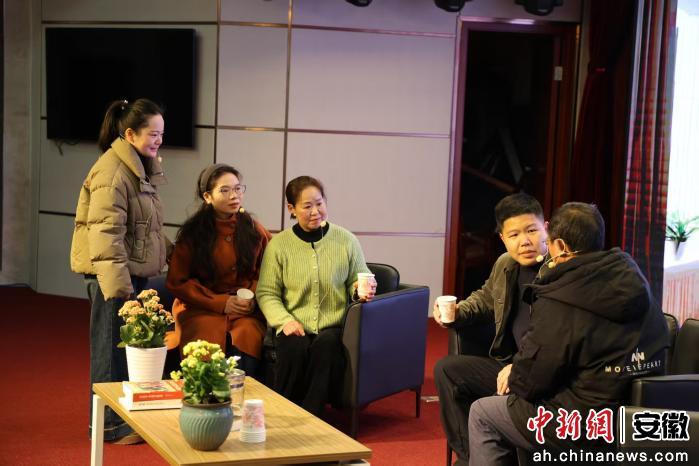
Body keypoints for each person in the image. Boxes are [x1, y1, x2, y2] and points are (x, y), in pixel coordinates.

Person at [468, 202, 669, 465]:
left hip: (584, 424)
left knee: (484, 412)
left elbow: (531, 381)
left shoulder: (561, 295)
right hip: (642, 417)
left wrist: (515, 373)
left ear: (560, 246)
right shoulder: (634, 279)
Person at [70, 98, 168, 444]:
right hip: (112, 277)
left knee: (122, 351)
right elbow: (106, 235)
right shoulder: (112, 172)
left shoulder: (137, 168)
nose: (158, 140)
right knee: (109, 352)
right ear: (129, 134)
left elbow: (145, 229)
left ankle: (121, 420)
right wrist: (121, 289)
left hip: (128, 273)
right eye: (152, 133)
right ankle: (109, 427)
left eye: (161, 134)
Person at [433, 192, 549, 465]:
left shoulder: (557, 271)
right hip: (506, 365)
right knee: (447, 370)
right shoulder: (505, 265)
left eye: (532, 230)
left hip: (538, 370)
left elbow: (556, 336)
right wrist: (457, 312)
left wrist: (521, 365)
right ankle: (470, 457)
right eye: (514, 235)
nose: (525, 241)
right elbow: (485, 298)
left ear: (546, 227)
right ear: (503, 239)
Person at [256, 175, 376, 416]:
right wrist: (284, 321)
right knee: (293, 348)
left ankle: (311, 417)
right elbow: (267, 293)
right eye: (307, 206)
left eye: (319, 203)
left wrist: (361, 289)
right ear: (291, 208)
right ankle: (284, 414)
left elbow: (358, 279)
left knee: (326, 347)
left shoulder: (346, 240)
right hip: (293, 322)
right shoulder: (279, 245)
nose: (315, 212)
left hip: (333, 326)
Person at [166, 164, 272, 376]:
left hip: (243, 311)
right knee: (204, 335)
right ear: (207, 196)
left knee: (247, 333)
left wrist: (251, 297)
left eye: (238, 188)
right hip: (201, 308)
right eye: (225, 190)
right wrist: (222, 303)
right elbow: (178, 282)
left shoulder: (253, 229)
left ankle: (244, 392)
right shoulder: (193, 234)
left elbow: (268, 271)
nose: (234, 195)